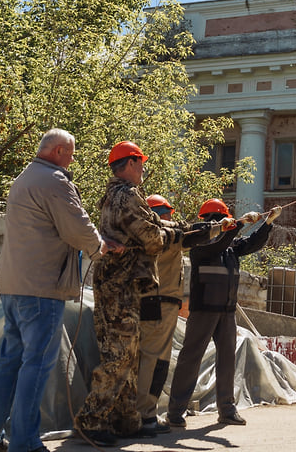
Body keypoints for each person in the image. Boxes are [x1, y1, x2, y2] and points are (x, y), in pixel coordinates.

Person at [0, 129, 110, 452]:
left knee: (10, 361)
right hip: (42, 289)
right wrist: (100, 247)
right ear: (59, 151)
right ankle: (25, 442)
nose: (73, 159)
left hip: (13, 286)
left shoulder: (23, 178)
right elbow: (77, 226)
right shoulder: (55, 181)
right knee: (36, 365)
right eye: (72, 153)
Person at [73, 142, 204, 447]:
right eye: (140, 162)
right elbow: (153, 237)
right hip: (119, 288)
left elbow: (157, 225)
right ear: (130, 163)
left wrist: (196, 229)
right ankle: (91, 422)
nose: (143, 167)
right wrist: (185, 234)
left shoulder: (118, 196)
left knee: (129, 357)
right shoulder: (127, 195)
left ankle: (125, 421)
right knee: (119, 357)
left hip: (123, 287)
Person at [164, 198, 280, 430]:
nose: (218, 224)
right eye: (218, 220)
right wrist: (236, 224)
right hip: (204, 310)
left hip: (226, 312)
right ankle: (175, 412)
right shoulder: (200, 245)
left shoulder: (230, 247)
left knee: (227, 360)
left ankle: (227, 410)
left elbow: (252, 243)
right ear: (211, 221)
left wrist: (267, 223)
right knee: (191, 358)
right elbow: (216, 244)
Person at [134, 194, 219, 436]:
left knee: (159, 361)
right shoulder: (158, 233)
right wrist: (219, 227)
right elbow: (190, 236)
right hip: (158, 300)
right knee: (152, 359)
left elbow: (188, 232)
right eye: (165, 212)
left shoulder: (165, 232)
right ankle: (143, 414)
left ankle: (148, 412)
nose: (170, 216)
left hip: (166, 302)